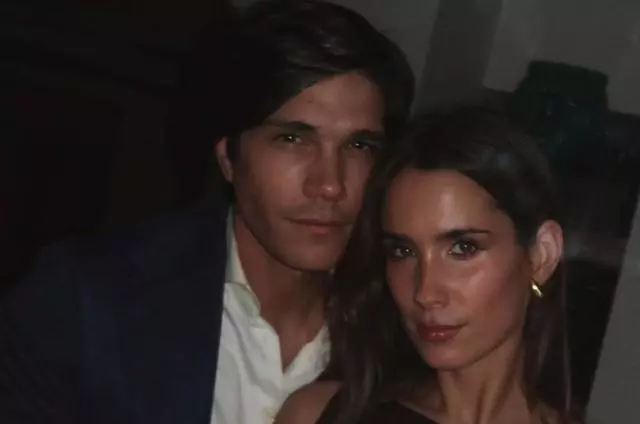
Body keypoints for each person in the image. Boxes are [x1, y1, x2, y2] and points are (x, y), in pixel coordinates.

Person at [0, 1, 414, 423]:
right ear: (228, 157)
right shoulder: (82, 303)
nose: (330, 184)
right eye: (292, 139)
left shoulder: (410, 323)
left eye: (359, 146)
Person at [275, 107, 576, 424]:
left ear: (541, 255)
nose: (425, 292)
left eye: (463, 248)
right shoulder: (317, 414)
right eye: (403, 251)